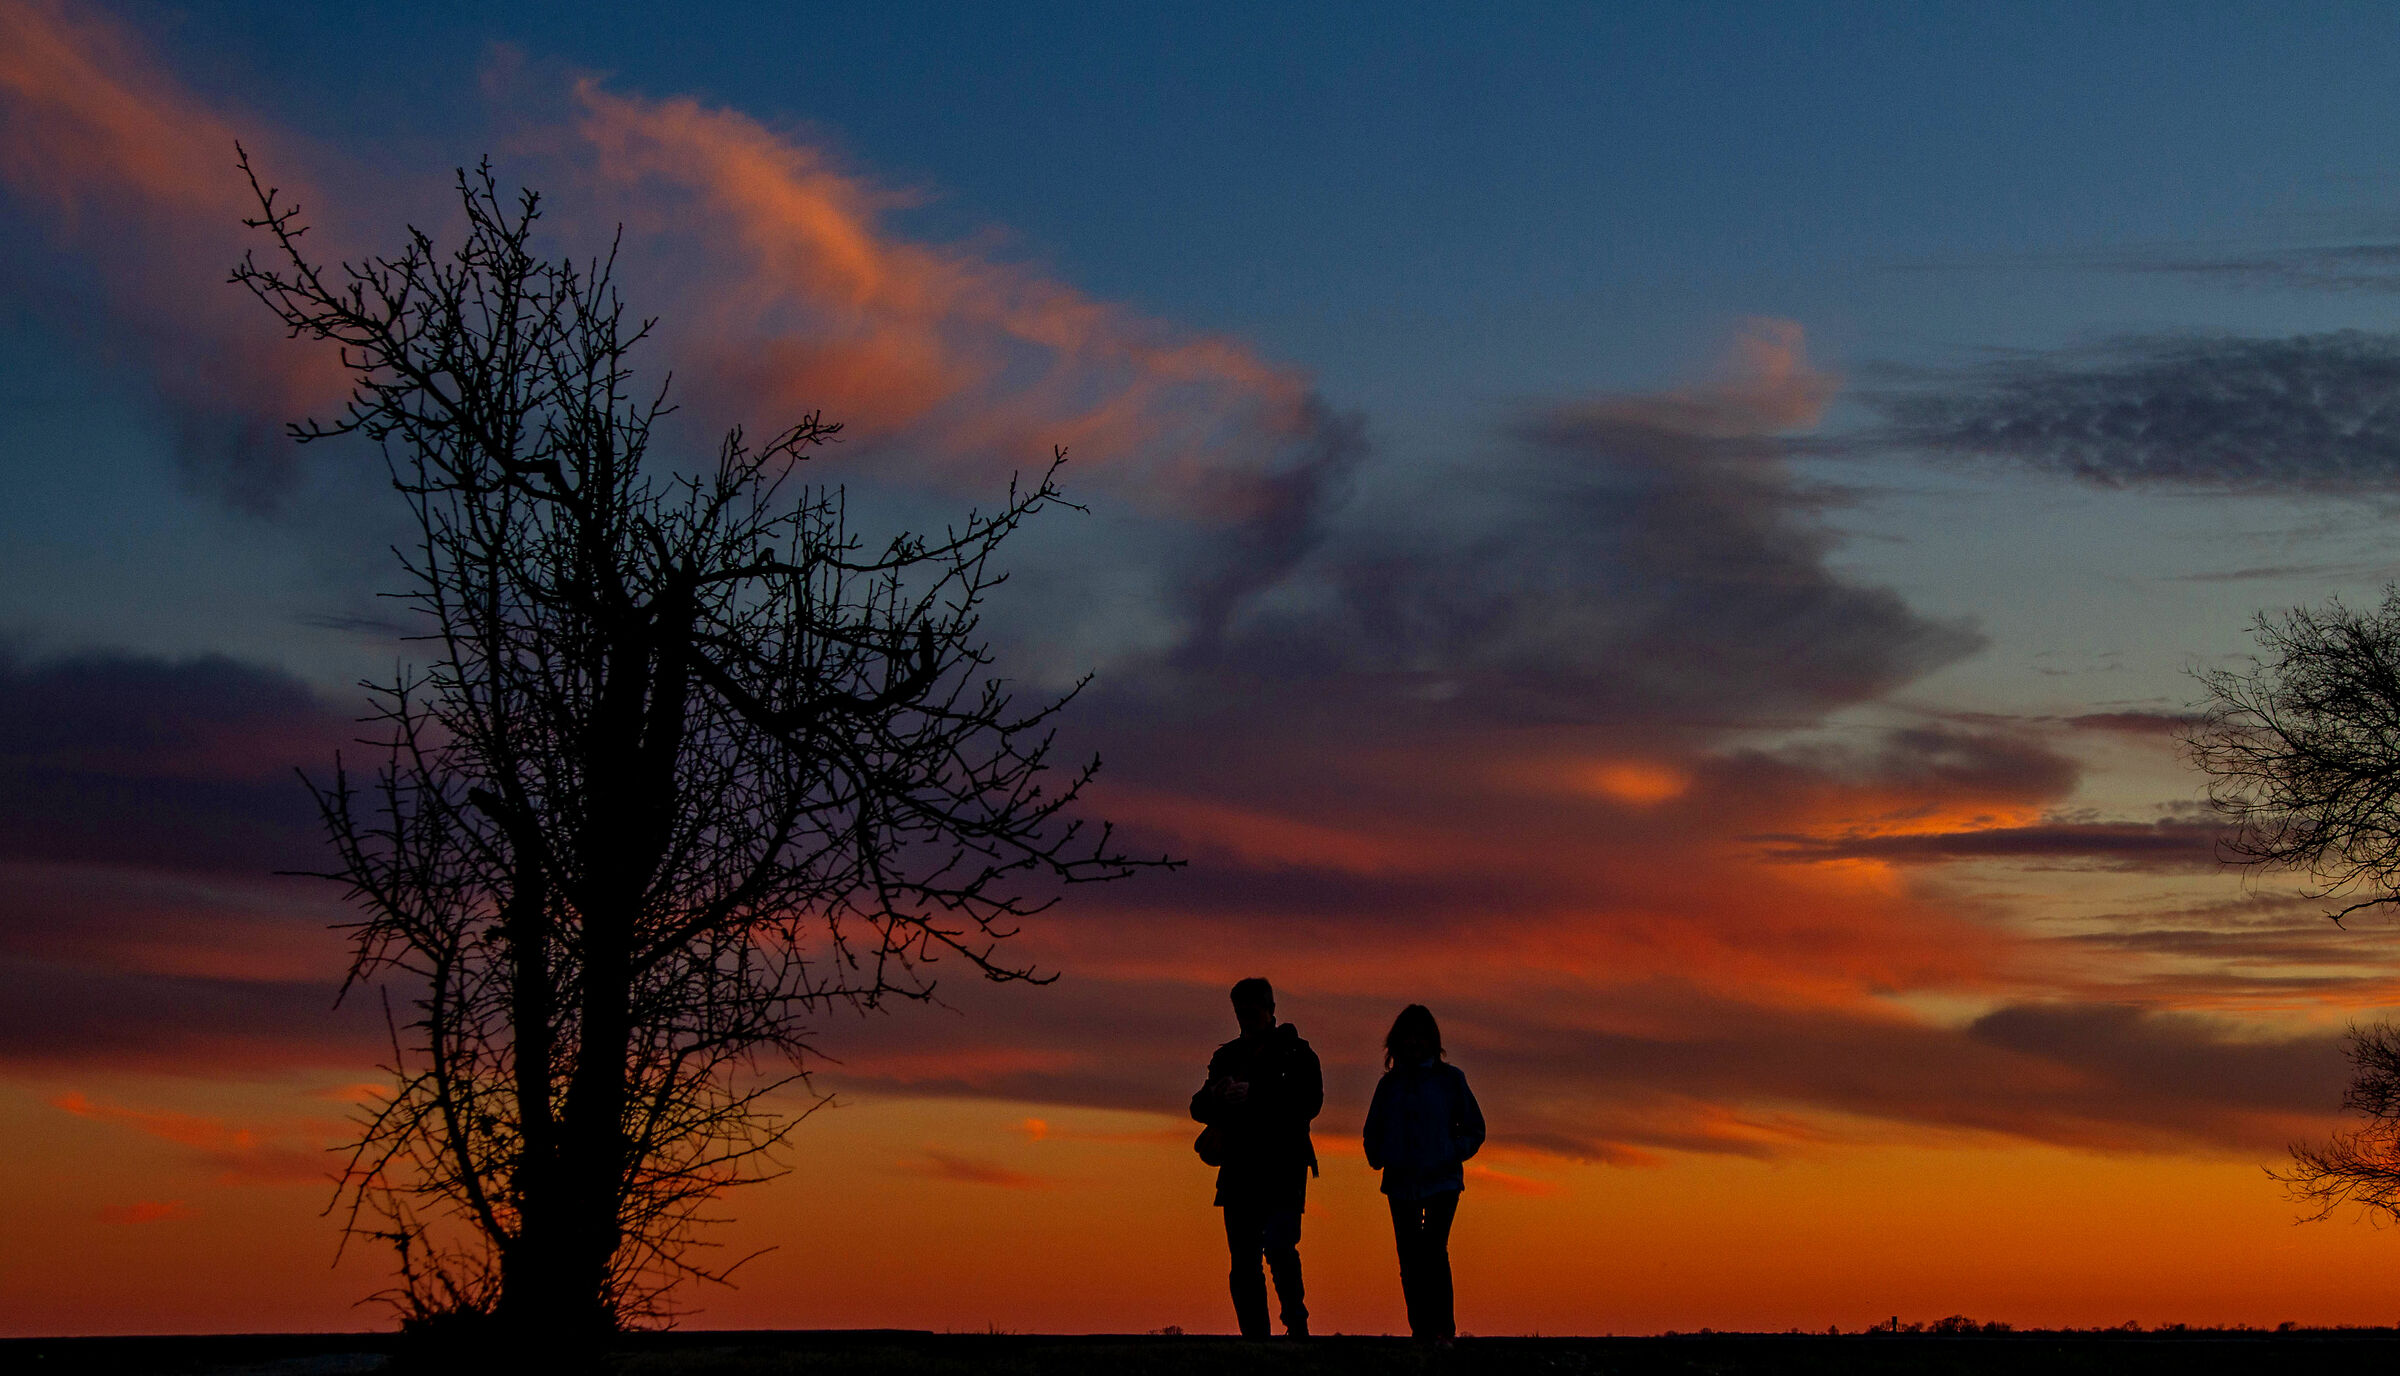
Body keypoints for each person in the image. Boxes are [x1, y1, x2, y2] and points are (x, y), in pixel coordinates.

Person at [1190, 977, 1322, 1338]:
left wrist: (1255, 1094)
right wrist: (1218, 1095)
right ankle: (1256, 1337)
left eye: (1252, 1011)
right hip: (1240, 1169)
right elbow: (1197, 1106)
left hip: (1283, 1167)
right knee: (1245, 1261)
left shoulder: (1297, 1053)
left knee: (1280, 1249)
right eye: (1240, 1012)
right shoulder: (1227, 1056)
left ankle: (1295, 1325)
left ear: (1270, 1010)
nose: (1246, 1019)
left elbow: (1310, 1102)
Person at [1362, 1003, 1484, 1342]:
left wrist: (1450, 1152)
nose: (1414, 1044)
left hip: (1443, 1181)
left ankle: (1442, 1330)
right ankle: (1421, 1330)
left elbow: (1475, 1128)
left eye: (1420, 1037)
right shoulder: (1390, 1086)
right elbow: (1372, 1131)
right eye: (1408, 1038)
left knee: (1433, 1251)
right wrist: (1380, 1155)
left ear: (1431, 1040)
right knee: (1409, 1257)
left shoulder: (1450, 1080)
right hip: (1401, 1183)